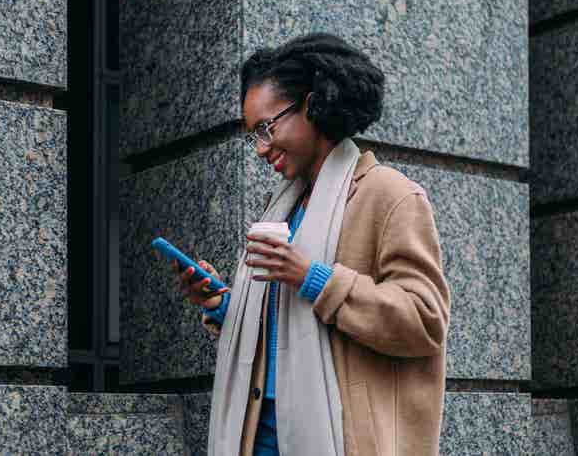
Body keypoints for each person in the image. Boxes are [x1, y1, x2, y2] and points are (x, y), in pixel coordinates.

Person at [174, 33, 451, 456]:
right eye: (253, 136)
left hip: (341, 440)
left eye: (266, 128)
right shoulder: (283, 206)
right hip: (260, 436)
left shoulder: (389, 196)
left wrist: (313, 278)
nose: (261, 148)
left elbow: (424, 320)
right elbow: (283, 325)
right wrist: (223, 304)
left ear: (311, 104)